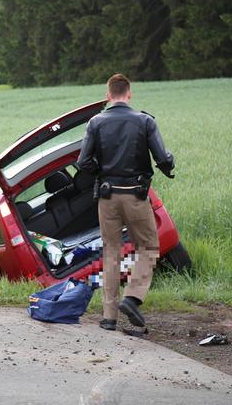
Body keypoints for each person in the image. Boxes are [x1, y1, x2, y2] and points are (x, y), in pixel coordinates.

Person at [77, 73, 175, 331]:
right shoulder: (144, 121)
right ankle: (132, 297)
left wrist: (102, 171)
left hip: (107, 197)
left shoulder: (95, 122)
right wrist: (170, 162)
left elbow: (83, 163)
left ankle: (109, 317)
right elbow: (162, 159)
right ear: (129, 94)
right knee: (149, 246)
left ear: (108, 95)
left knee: (111, 252)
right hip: (135, 195)